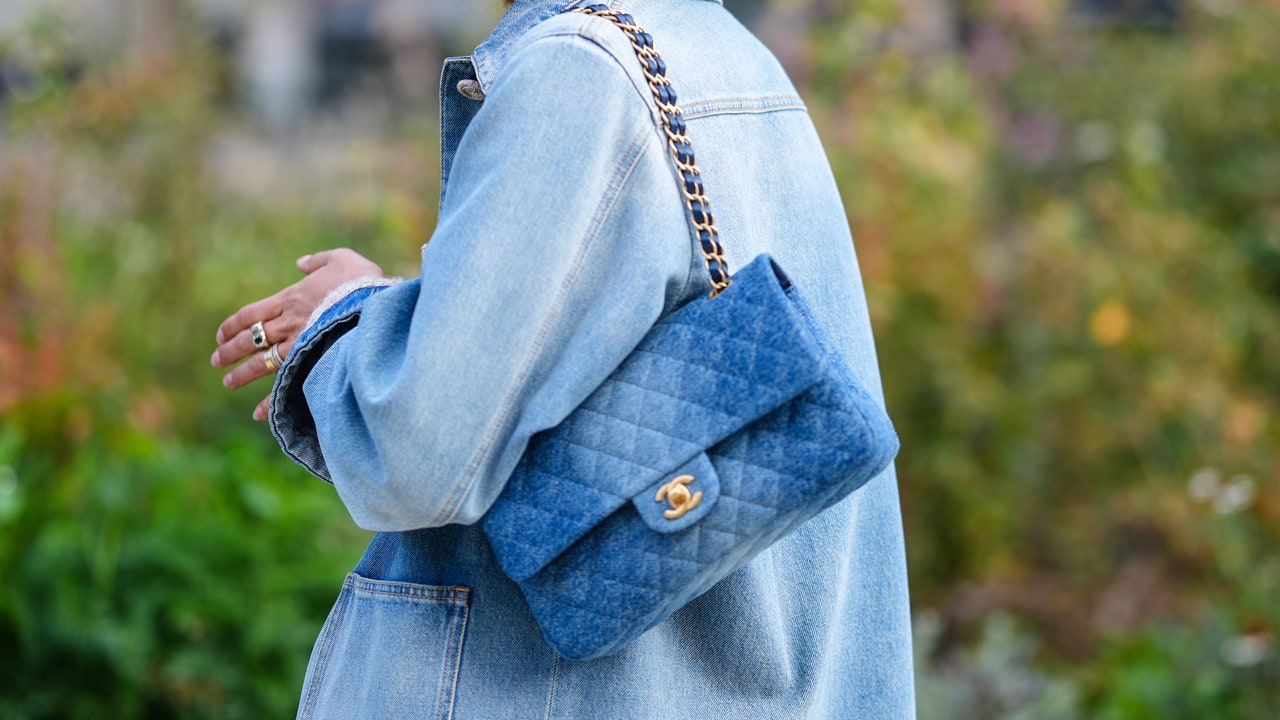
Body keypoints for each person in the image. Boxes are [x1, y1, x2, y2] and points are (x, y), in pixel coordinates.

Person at [211, 0, 915, 716]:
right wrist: (410, 326)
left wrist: (343, 321)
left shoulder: (581, 72)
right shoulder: (731, 57)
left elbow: (417, 455)